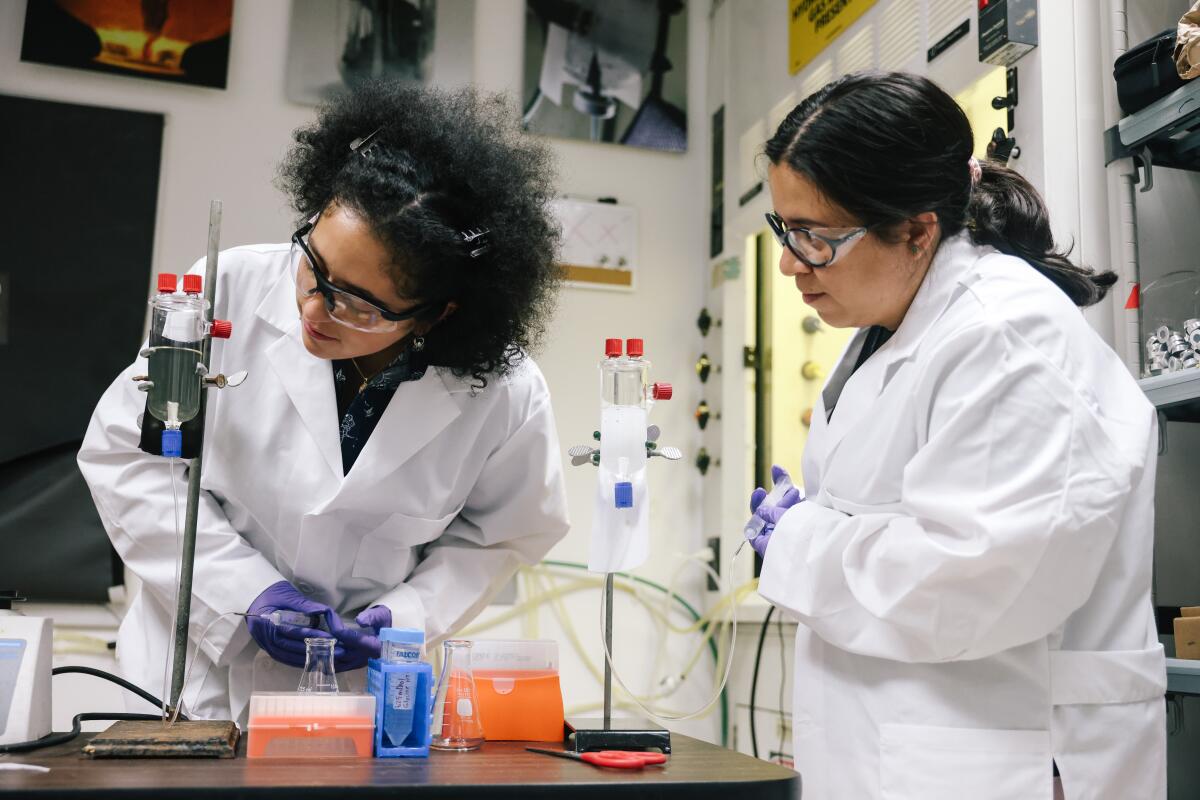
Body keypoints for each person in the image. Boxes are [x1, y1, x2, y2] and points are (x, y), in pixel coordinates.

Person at [78, 82, 570, 724]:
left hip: (362, 695)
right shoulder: (222, 291)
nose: (313, 308)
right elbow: (132, 457)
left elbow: (503, 536)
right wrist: (244, 594)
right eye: (315, 264)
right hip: (188, 683)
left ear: (435, 315)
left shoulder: (503, 392)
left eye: (359, 304)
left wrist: (407, 620)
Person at [745, 71, 1165, 800]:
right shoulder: (891, 323)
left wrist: (800, 541)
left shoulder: (1007, 334)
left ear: (915, 228)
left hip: (1009, 757)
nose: (790, 263)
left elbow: (973, 579)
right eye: (786, 229)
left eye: (815, 238)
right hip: (904, 746)